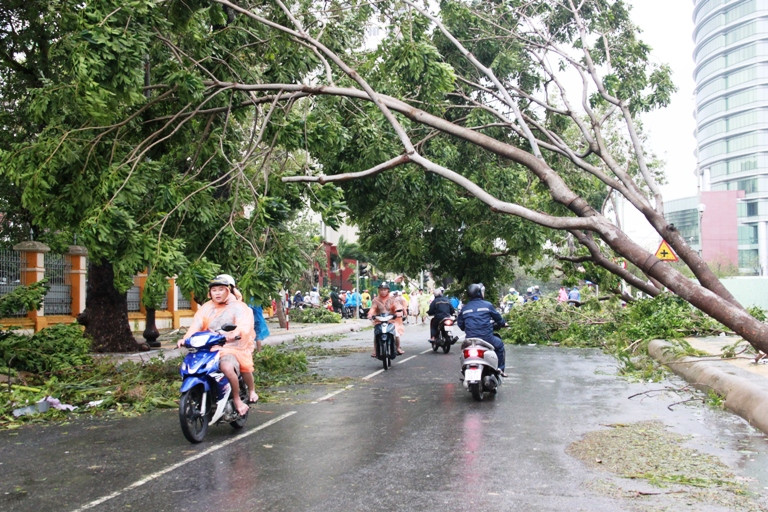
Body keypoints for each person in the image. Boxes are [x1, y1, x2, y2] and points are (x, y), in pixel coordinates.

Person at [177, 274, 259, 416]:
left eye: (221, 289)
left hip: (231, 346)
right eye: (214, 290)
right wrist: (186, 338)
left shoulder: (239, 307)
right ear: (210, 292)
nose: (217, 293)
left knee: (226, 367)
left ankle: (238, 399)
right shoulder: (206, 308)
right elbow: (196, 325)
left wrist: (234, 334)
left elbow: (243, 325)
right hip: (208, 346)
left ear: (229, 290)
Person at [457, 283, 508, 377]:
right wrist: (503, 324)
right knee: (500, 346)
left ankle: (464, 369)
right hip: (487, 338)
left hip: (470, 340)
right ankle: (500, 369)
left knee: (463, 353)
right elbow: (499, 319)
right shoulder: (487, 305)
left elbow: (460, 324)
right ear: (479, 293)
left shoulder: (465, 308)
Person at [367, 282, 404, 355]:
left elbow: (397, 306)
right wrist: (370, 314)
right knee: (376, 334)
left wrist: (398, 312)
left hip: (391, 320)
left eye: (385, 290)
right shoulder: (375, 300)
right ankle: (375, 351)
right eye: (381, 290)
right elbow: (373, 308)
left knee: (396, 334)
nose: (383, 291)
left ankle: (398, 348)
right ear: (379, 291)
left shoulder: (392, 299)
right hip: (379, 320)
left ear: (388, 290)